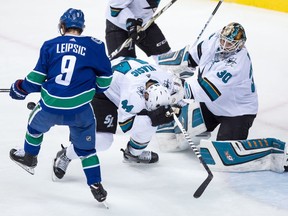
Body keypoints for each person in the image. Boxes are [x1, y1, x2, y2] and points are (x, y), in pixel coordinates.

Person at [8, 8, 112, 203]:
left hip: (51, 107)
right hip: (80, 110)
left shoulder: (50, 45)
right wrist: (92, 87)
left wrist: (20, 88)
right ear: (82, 28)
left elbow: (36, 78)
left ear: (62, 26)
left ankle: (29, 156)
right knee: (87, 151)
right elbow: (106, 80)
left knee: (34, 127)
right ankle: (95, 184)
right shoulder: (96, 46)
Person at [52, 56, 183, 180]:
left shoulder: (166, 80)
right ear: (146, 95)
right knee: (104, 140)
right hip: (102, 89)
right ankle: (66, 154)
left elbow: (180, 91)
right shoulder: (133, 95)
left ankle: (132, 154)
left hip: (120, 72)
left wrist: (177, 105)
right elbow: (125, 125)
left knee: (152, 119)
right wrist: (155, 118)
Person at [158, 22, 258, 145]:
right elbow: (192, 57)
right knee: (174, 140)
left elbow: (206, 90)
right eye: (223, 41)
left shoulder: (237, 65)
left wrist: (177, 87)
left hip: (236, 112)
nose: (224, 45)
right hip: (212, 105)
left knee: (224, 153)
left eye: (230, 43)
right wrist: (168, 66)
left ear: (240, 45)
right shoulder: (215, 39)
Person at [105, 0, 171, 61]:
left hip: (144, 22)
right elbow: (115, 8)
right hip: (118, 25)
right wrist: (131, 24)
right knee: (124, 64)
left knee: (166, 57)